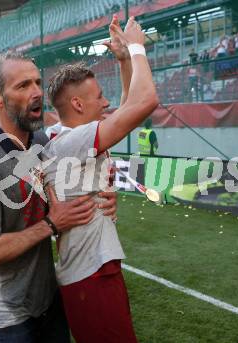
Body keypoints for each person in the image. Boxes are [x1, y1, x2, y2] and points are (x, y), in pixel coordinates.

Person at [0, 51, 117, 341]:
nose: (35, 93)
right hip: (8, 317)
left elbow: (67, 187)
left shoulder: (42, 143)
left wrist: (102, 195)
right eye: (22, 86)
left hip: (48, 300)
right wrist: (51, 225)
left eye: (37, 83)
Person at [42, 16, 159, 342]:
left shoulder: (69, 138)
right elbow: (144, 101)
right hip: (91, 275)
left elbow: (125, 107)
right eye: (98, 96)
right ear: (77, 104)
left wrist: (122, 59)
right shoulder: (71, 142)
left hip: (91, 272)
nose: (105, 102)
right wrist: (136, 46)